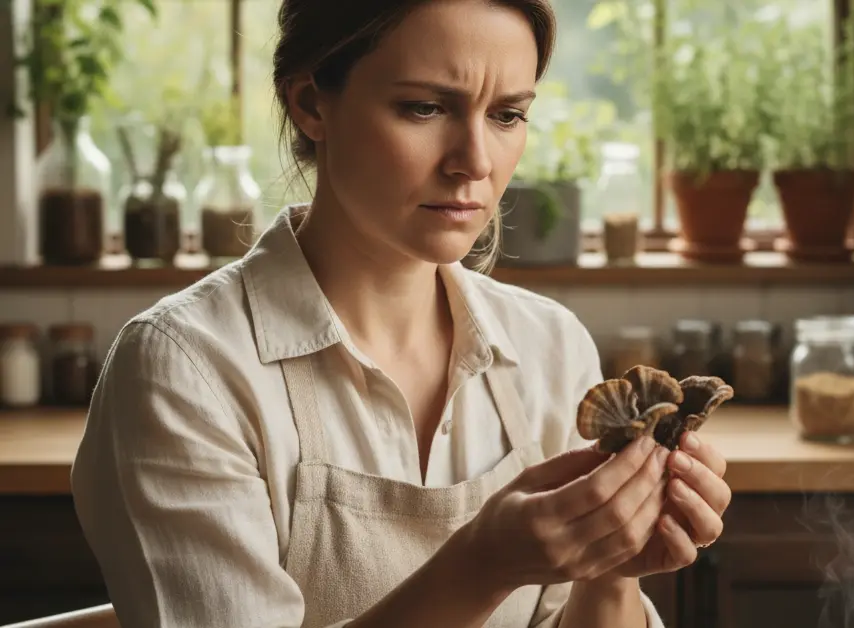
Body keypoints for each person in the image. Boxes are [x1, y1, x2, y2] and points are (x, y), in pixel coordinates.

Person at [70, 0, 734, 626]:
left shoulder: (550, 347)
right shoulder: (186, 369)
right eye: (424, 108)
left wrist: (611, 565)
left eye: (507, 115)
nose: (474, 162)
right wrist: (484, 565)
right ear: (310, 104)